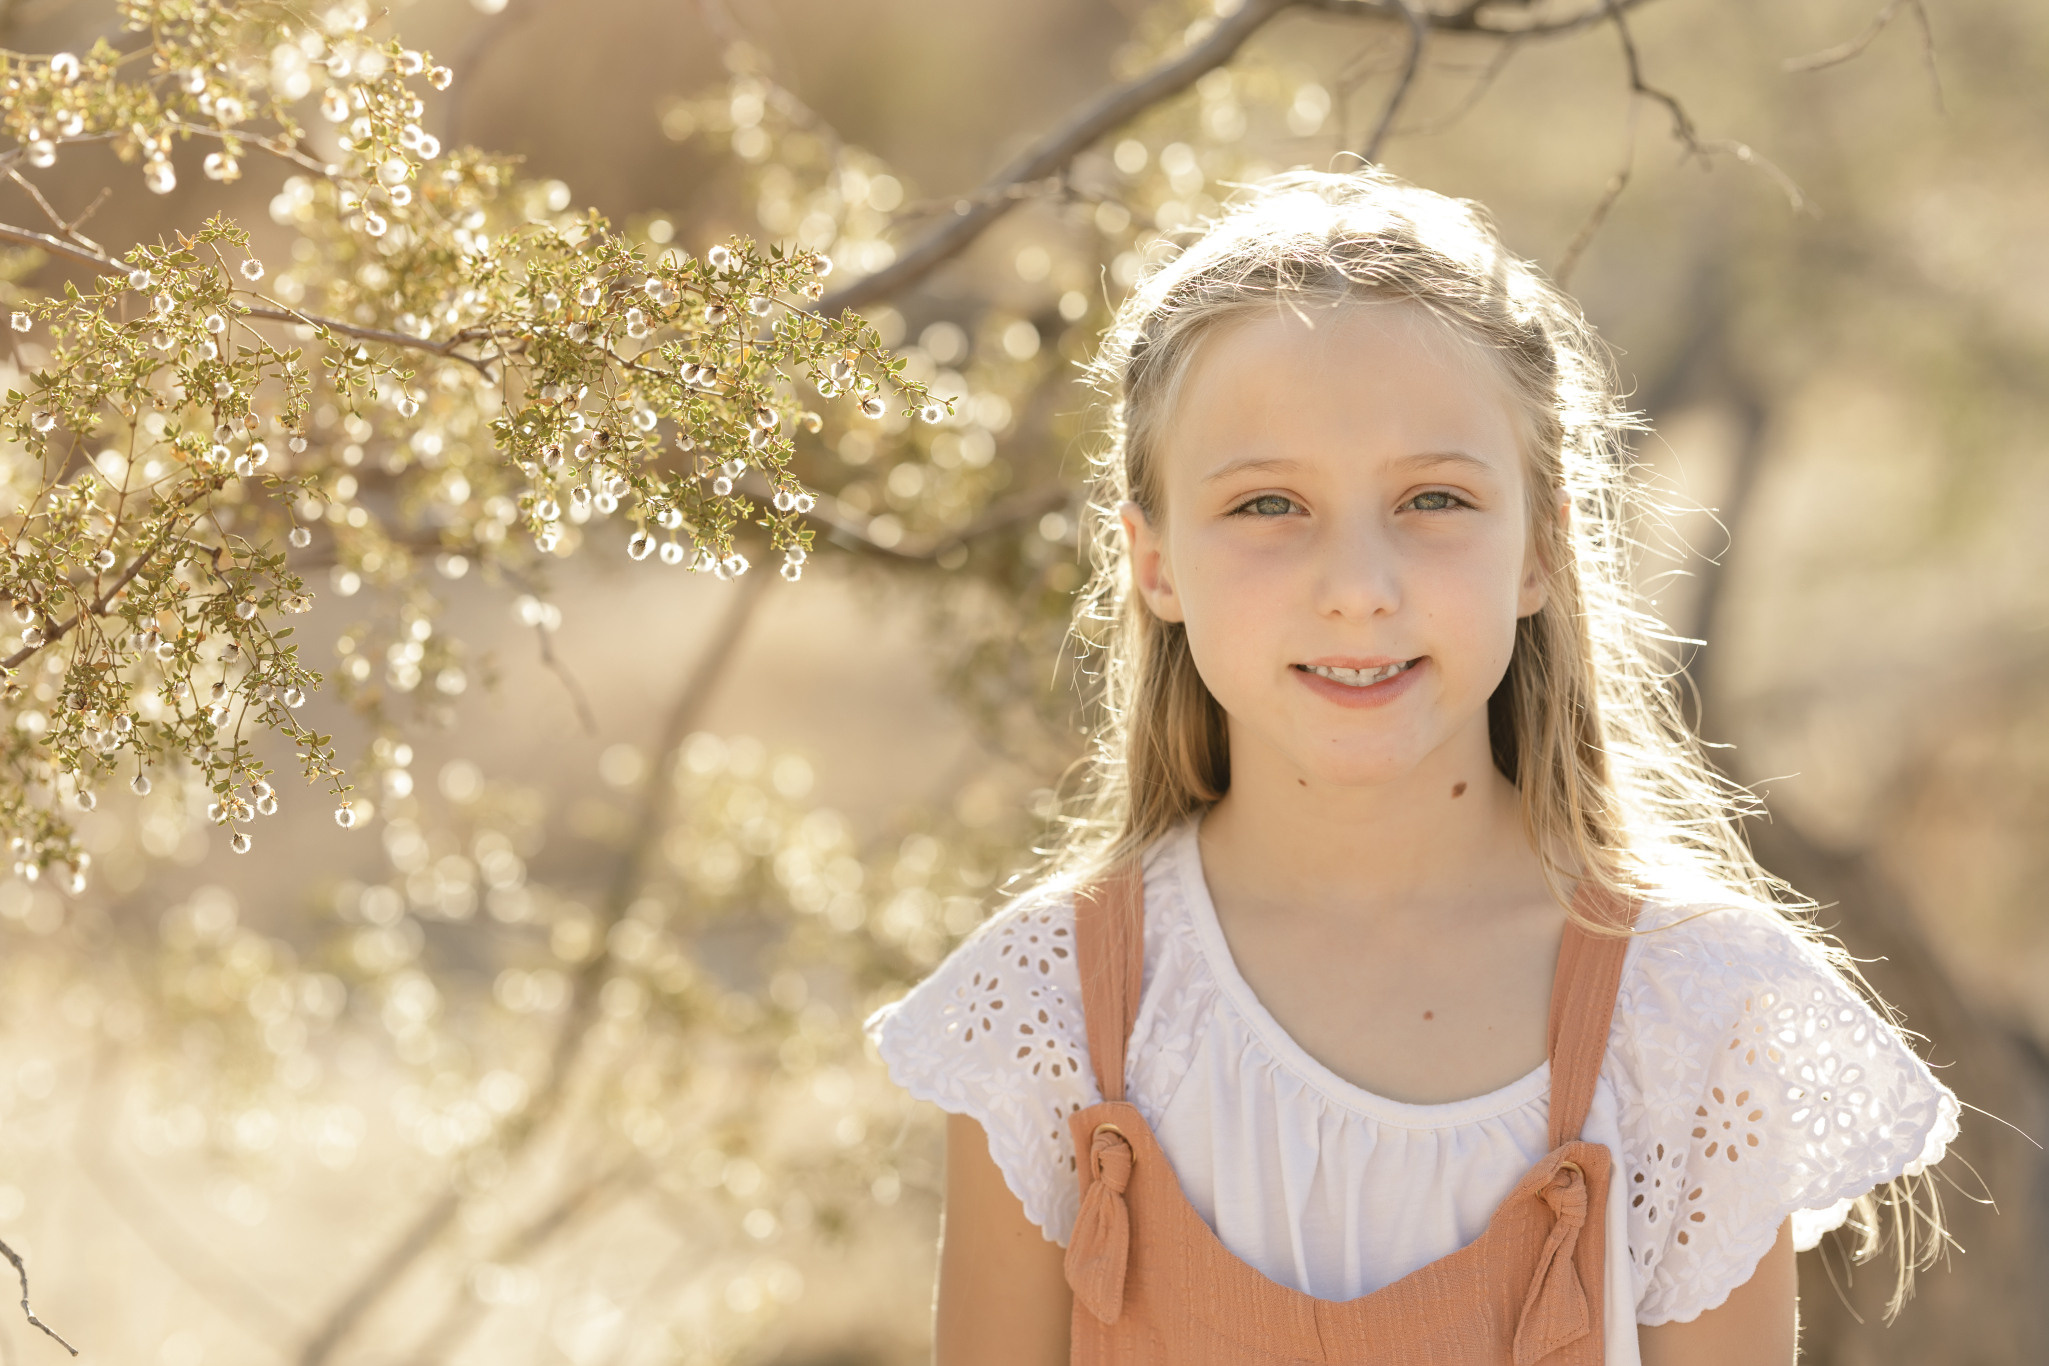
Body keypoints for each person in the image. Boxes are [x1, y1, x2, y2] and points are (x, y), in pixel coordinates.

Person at [865, 169, 1957, 1365]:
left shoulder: (1694, 1009)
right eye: (1268, 503)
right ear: (1155, 559)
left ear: (1540, 547)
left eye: (1433, 497)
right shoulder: (1055, 1007)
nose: (1359, 586)